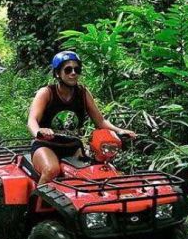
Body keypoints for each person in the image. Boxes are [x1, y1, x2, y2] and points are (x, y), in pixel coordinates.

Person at [27, 51, 136, 184]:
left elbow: (100, 121)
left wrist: (119, 131)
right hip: (46, 145)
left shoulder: (82, 93)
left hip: (73, 146)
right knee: (51, 170)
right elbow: (32, 120)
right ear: (57, 73)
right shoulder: (46, 93)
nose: (73, 73)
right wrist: (39, 132)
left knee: (92, 173)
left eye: (76, 69)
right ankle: (36, 203)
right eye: (68, 70)